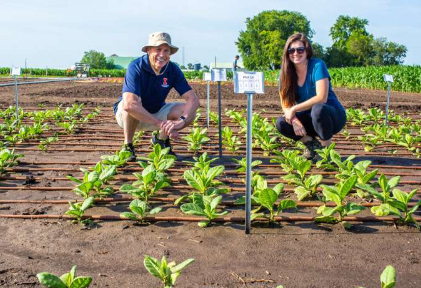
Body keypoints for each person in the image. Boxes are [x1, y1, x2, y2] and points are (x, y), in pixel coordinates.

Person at [113, 32, 200, 161]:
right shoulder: (136, 67)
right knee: (132, 102)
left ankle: (160, 140)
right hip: (129, 117)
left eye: (166, 51)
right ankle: (128, 145)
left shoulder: (173, 69)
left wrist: (181, 122)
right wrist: (161, 124)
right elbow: (129, 104)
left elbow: (193, 100)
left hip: (156, 112)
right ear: (148, 51)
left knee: (188, 110)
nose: (162, 55)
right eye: (158, 49)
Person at [275, 33, 346, 161]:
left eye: (300, 49)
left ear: (307, 51)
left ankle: (326, 150)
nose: (295, 53)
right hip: (309, 119)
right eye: (291, 50)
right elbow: (285, 104)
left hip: (331, 117)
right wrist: (295, 121)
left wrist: (294, 109)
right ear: (287, 53)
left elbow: (321, 98)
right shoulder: (285, 73)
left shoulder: (318, 66)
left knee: (318, 109)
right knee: (281, 123)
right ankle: (312, 145)